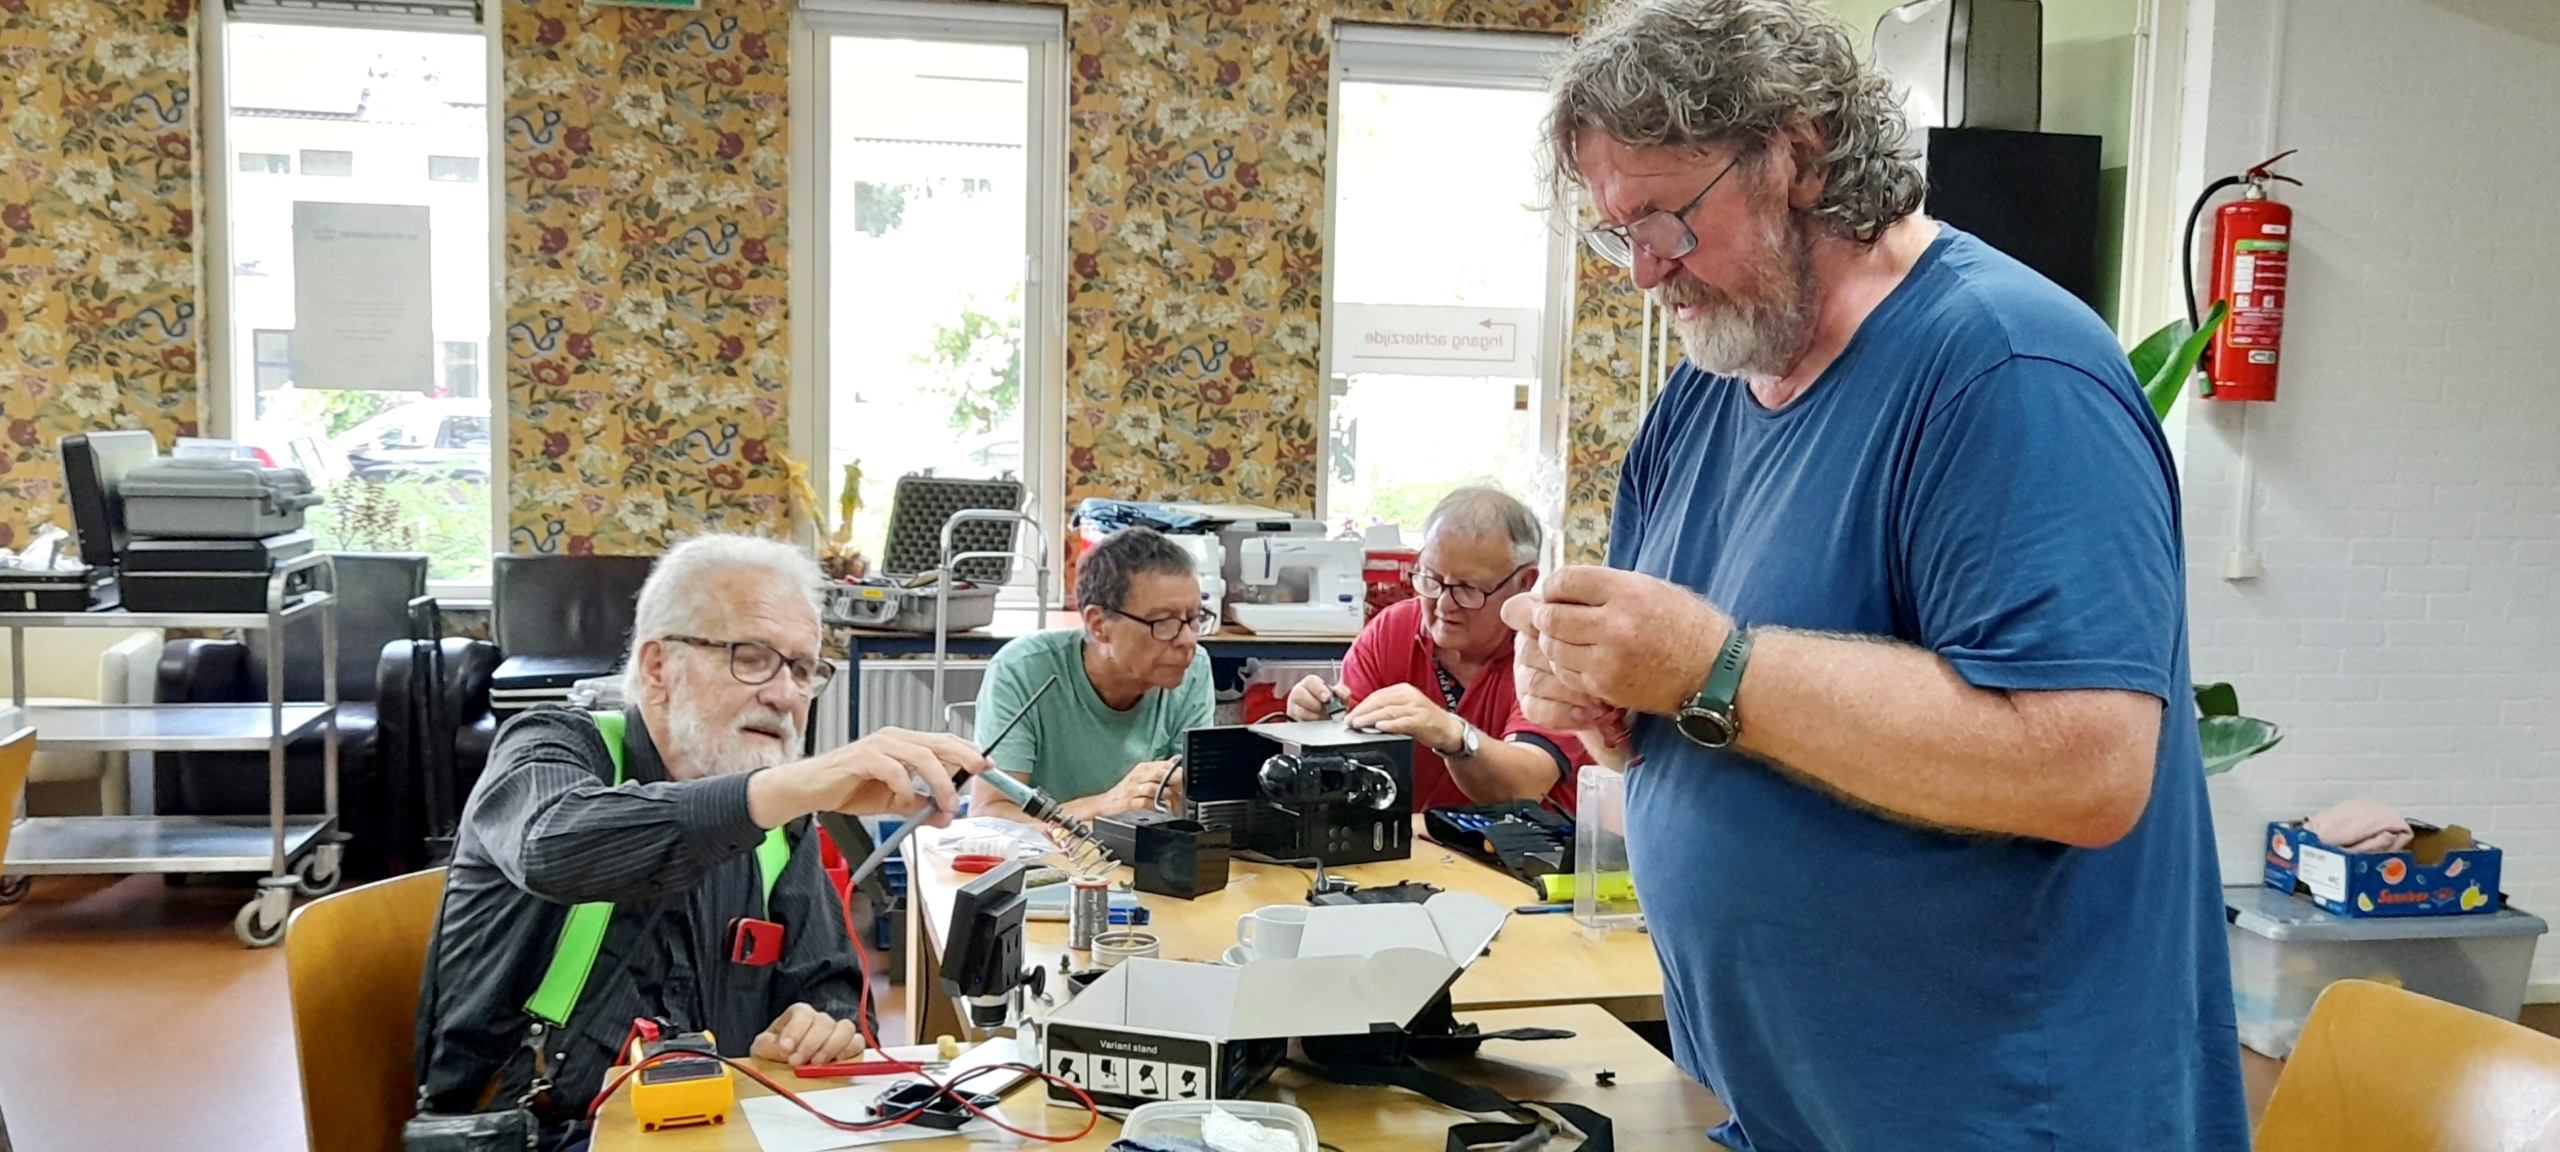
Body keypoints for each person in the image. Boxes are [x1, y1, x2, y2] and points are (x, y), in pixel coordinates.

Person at [1504, 1, 2248, 1149]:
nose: (1646, 269)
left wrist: (1711, 668)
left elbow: (2086, 770)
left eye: (1664, 218)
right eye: (1617, 235)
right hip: (1784, 1106)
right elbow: (1690, 707)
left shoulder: (2009, 369)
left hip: (1999, 1117)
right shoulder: (1709, 389)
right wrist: (1605, 691)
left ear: (1794, 155)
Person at [416, 535, 982, 1143]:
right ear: (658, 667)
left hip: (711, 1130)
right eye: (752, 656)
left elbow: (830, 983)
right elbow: (553, 849)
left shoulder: (782, 825)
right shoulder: (548, 747)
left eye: (801, 668)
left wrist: (822, 1023)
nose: (786, 694)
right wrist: (793, 785)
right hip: (537, 1131)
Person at [1283, 487, 1585, 810]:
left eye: (1467, 588)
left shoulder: (1551, 652)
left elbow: (1525, 786)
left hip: (1528, 854)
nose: (1443, 604)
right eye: (1430, 578)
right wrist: (1317, 722)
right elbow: (1348, 760)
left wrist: (1452, 736)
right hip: (1418, 849)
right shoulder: (1393, 630)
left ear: (1524, 583)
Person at [970, 526, 1215, 823]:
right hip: (1043, 863)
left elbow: (1189, 806)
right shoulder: (1023, 669)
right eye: (1164, 622)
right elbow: (990, 813)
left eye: (1194, 619)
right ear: (1099, 624)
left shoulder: (1194, 669)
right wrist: (1105, 805)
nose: (1187, 640)